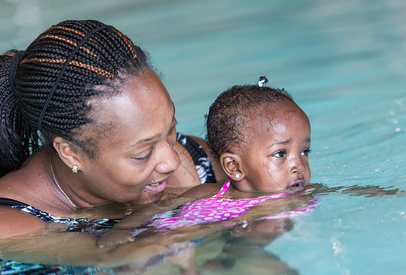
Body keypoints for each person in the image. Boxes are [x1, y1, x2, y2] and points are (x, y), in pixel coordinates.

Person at [0, 19, 223, 242]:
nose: (173, 160)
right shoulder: (5, 229)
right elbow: (117, 260)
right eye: (143, 153)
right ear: (71, 154)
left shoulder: (200, 162)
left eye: (170, 128)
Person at [97, 77, 318, 246]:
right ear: (234, 167)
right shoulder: (207, 193)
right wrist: (120, 230)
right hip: (164, 243)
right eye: (281, 154)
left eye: (304, 151)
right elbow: (158, 209)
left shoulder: (292, 200)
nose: (298, 165)